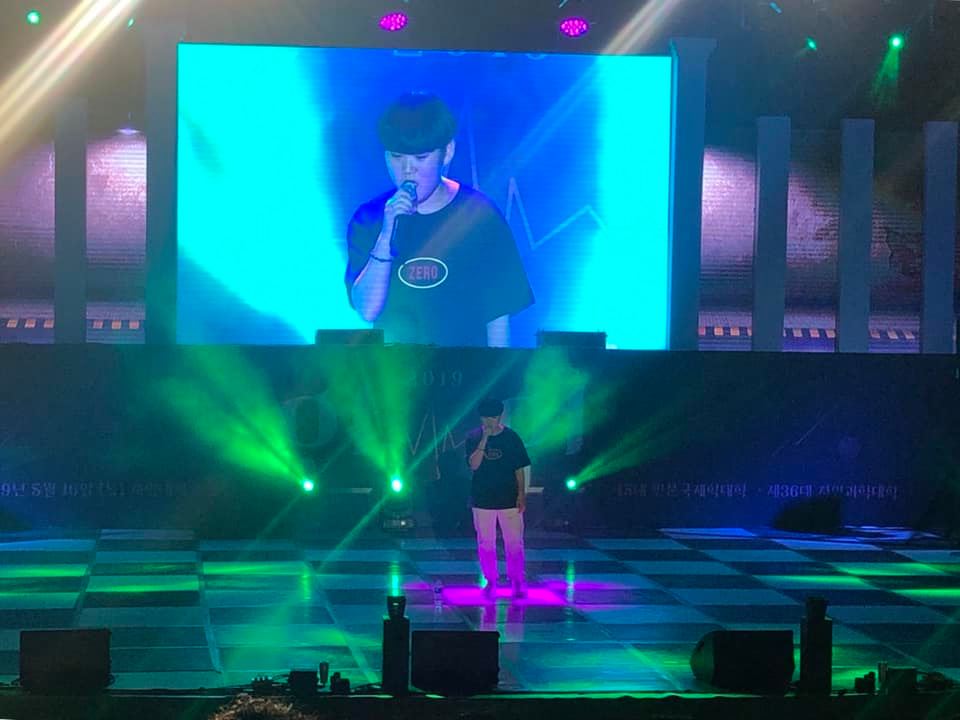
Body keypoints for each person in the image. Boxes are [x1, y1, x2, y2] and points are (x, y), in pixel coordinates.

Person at [345, 92, 533, 346]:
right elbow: (368, 311)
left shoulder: (480, 216)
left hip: (464, 364)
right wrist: (386, 233)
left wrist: (496, 367)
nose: (408, 170)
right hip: (395, 367)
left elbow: (498, 316)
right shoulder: (370, 218)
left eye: (421, 158)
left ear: (447, 152)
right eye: (397, 157)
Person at [464, 397, 531, 599]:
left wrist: (521, 494)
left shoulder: (511, 437)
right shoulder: (473, 437)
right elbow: (474, 465)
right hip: (482, 498)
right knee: (486, 543)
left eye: (493, 417)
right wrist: (484, 439)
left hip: (509, 497)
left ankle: (517, 580)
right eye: (485, 418)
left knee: (514, 542)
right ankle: (491, 580)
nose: (489, 421)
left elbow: (519, 467)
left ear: (500, 416)